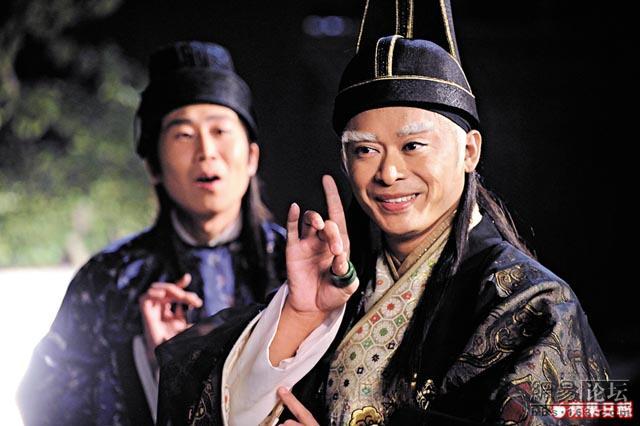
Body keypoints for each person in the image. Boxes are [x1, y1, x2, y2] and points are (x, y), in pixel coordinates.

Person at [155, 3, 609, 425]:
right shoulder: (336, 287)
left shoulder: (533, 305)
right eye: (365, 150)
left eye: (413, 145)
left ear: (469, 150)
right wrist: (298, 315)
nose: (388, 173)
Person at [17, 41, 286, 425]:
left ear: (252, 157)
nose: (206, 151)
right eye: (183, 135)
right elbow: (43, 401)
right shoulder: (110, 279)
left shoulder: (293, 266)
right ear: (154, 167)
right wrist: (144, 361)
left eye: (220, 130)